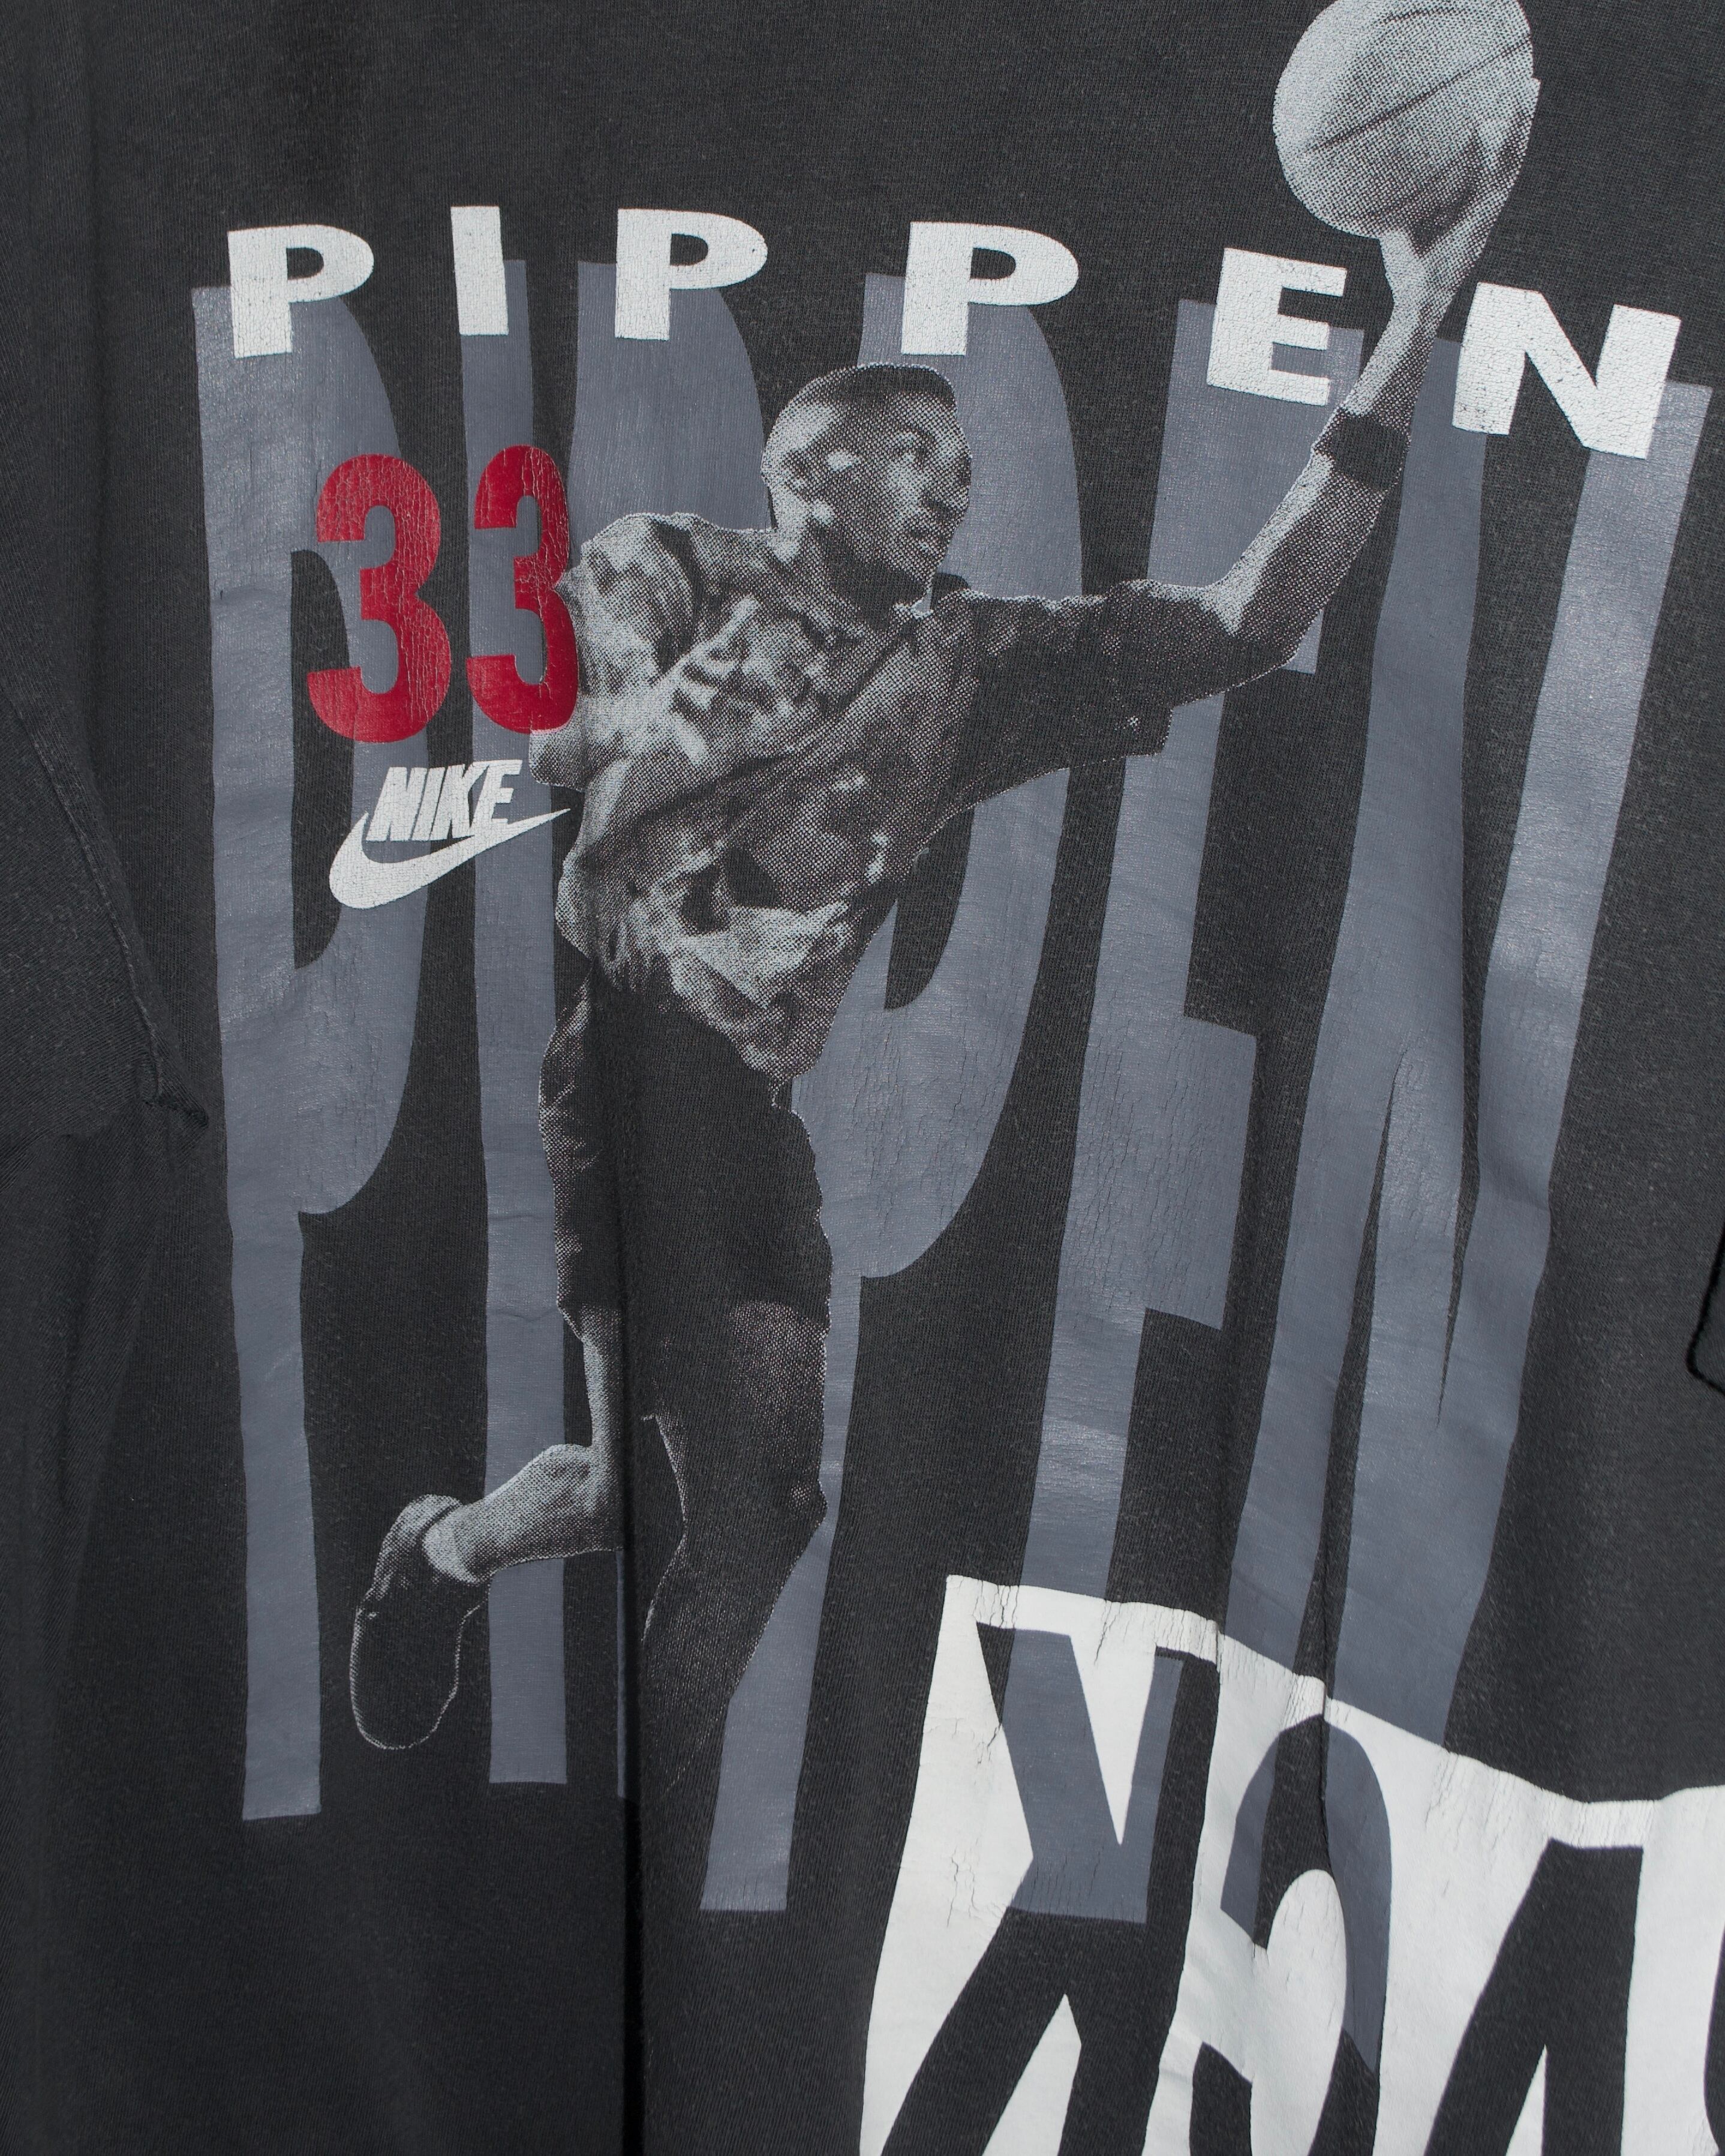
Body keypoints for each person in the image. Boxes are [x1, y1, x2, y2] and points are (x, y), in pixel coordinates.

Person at [348, 149, 1524, 1794]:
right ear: (810, 472)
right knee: (723, 1506)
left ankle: (446, 1555)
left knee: (710, 1502)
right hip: (630, 1063)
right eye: (916, 453)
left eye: (966, 464)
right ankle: (606, 1808)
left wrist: (1413, 325)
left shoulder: (975, 665)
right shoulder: (662, 561)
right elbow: (602, 737)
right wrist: (678, 716)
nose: (955, 487)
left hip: (746, 1098)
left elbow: (1252, 620)